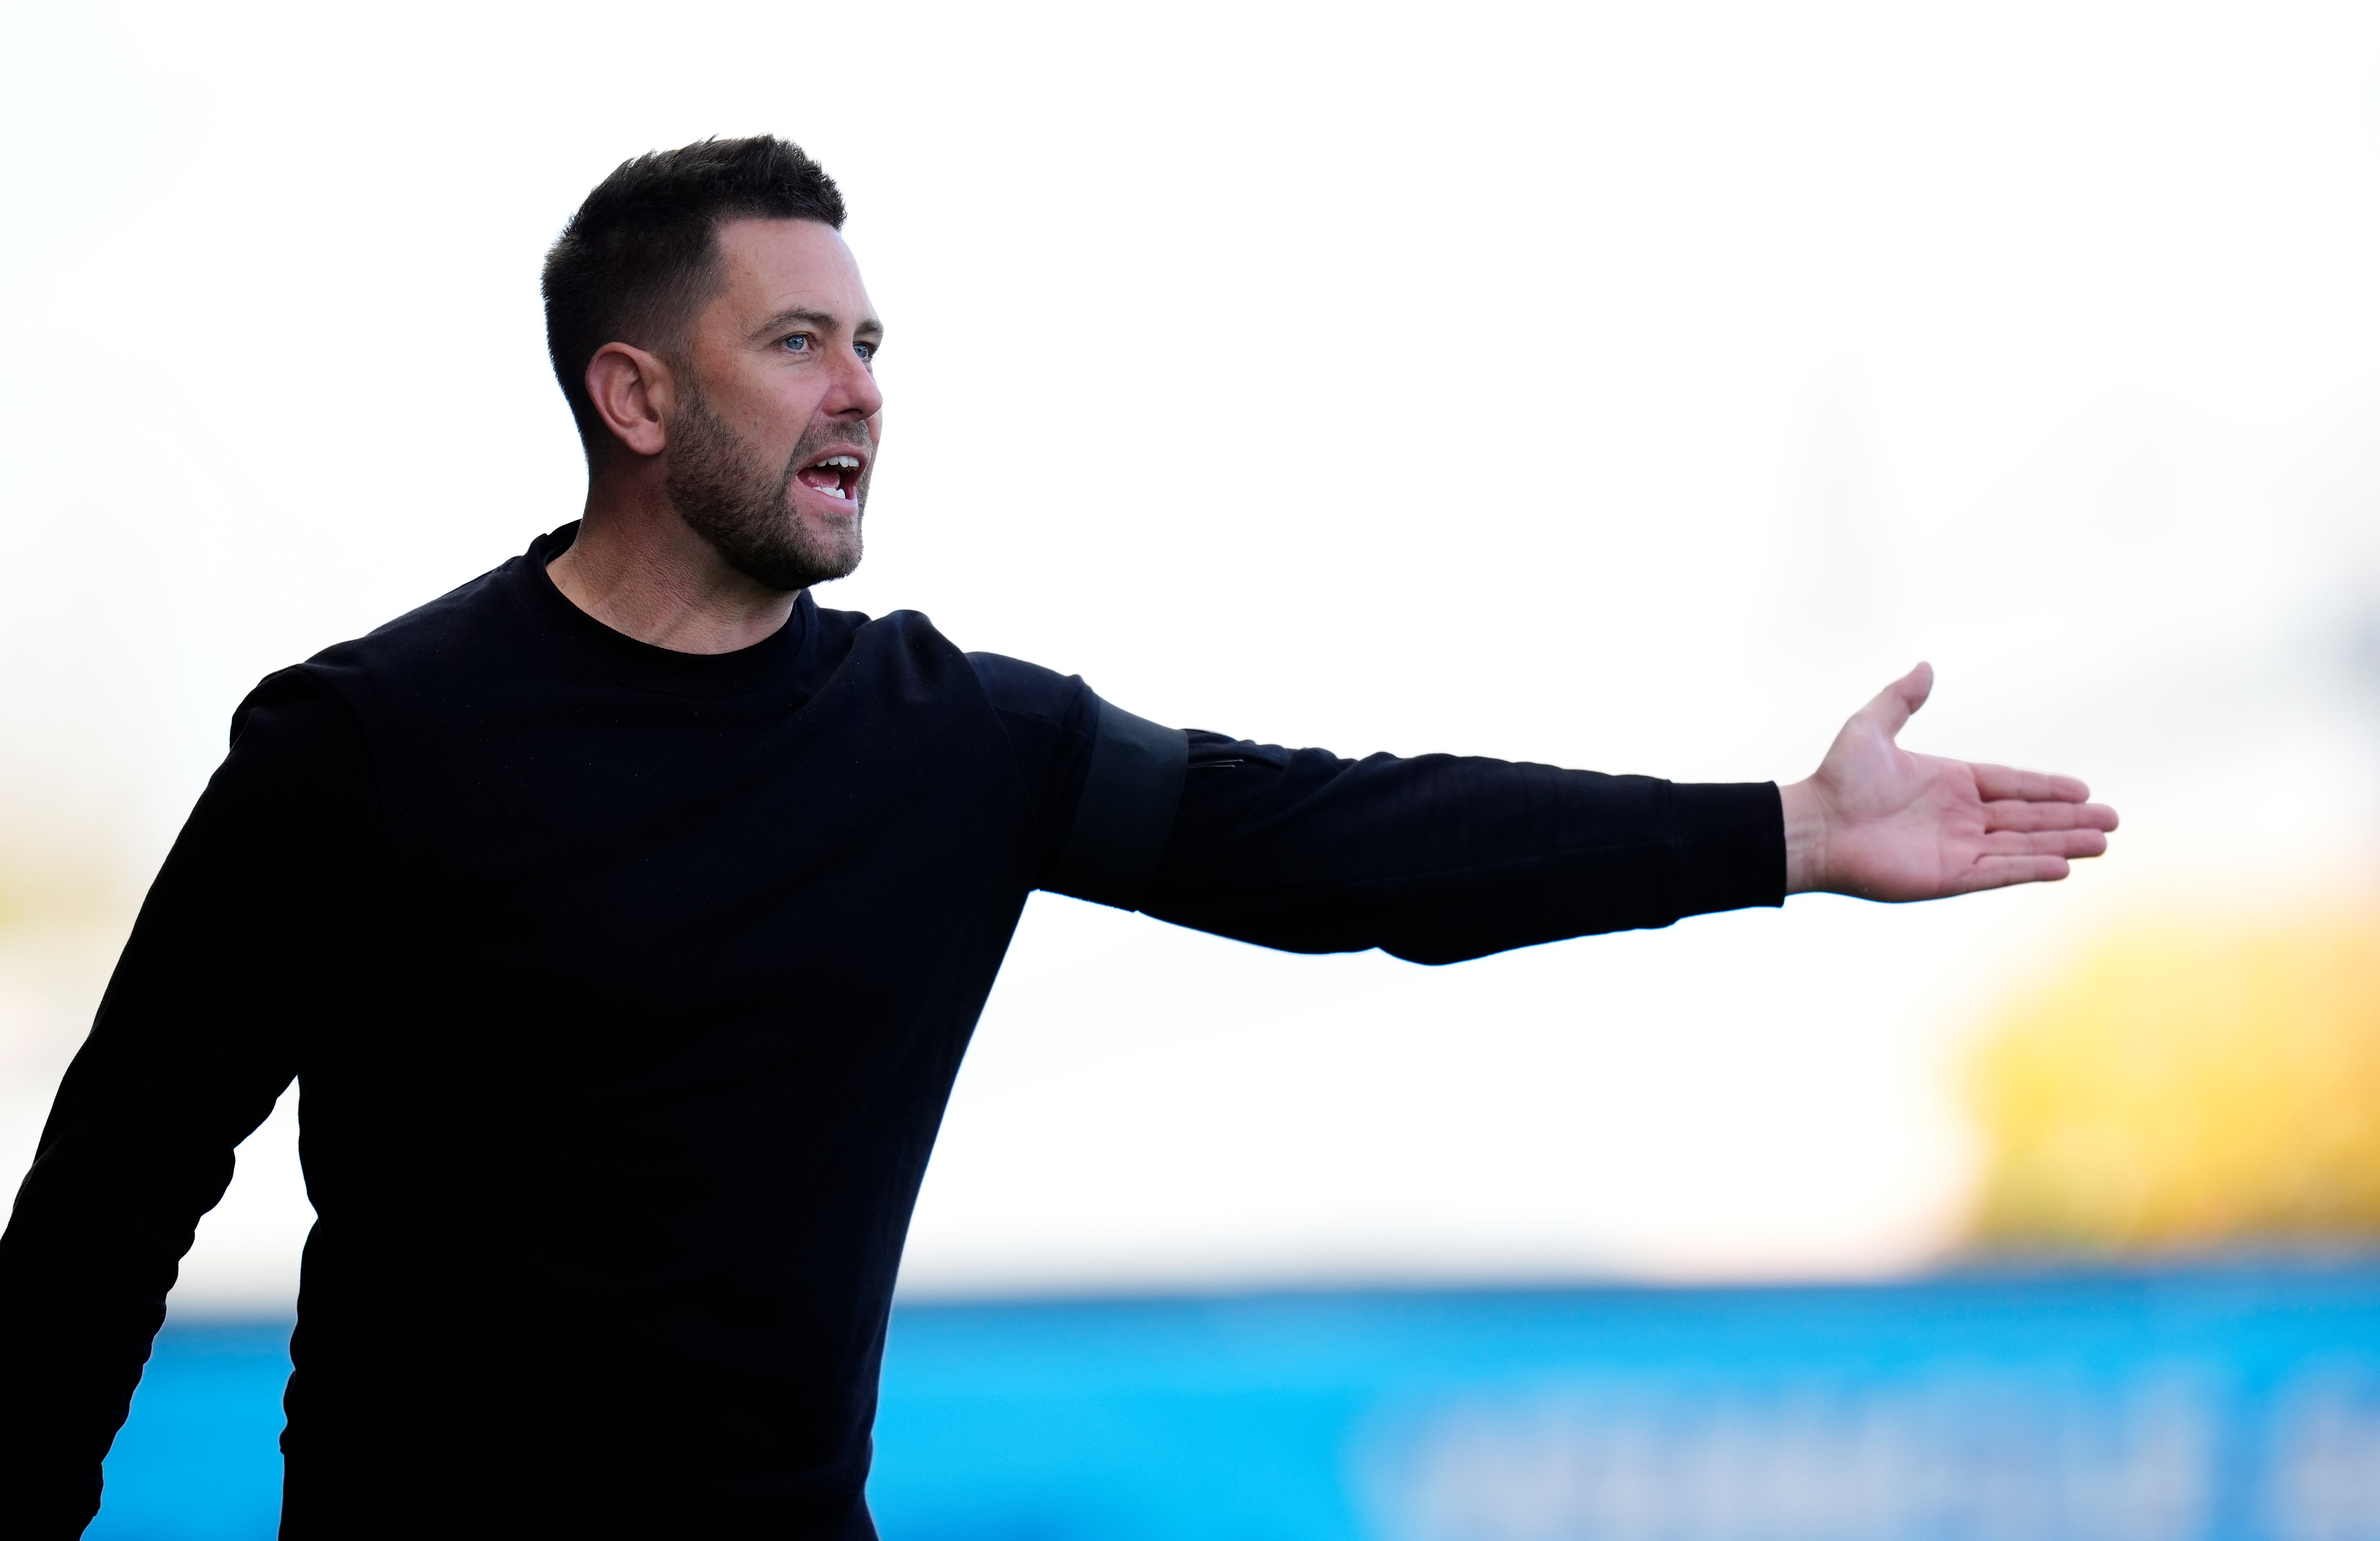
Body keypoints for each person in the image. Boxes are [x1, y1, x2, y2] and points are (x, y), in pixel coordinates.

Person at [0, 136, 2116, 1539]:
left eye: (873, 344)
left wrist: (1774, 832)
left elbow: (1343, 851)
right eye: (797, 340)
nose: (861, 392)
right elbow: (109, 1202)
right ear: (634, 400)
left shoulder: (947, 742)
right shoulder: (370, 749)